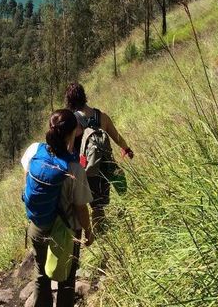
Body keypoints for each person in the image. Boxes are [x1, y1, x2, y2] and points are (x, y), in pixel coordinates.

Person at [21, 109, 94, 307]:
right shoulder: (74, 169)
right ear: (71, 134)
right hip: (65, 231)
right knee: (67, 279)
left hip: (37, 225)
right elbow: (80, 207)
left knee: (41, 274)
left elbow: (27, 177)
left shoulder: (35, 150)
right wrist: (88, 231)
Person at [65, 82, 133, 231]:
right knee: (101, 203)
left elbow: (69, 148)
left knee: (95, 207)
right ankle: (113, 227)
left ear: (69, 101)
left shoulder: (73, 121)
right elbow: (117, 137)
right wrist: (127, 149)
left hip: (87, 169)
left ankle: (100, 235)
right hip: (106, 164)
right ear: (84, 96)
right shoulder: (101, 116)